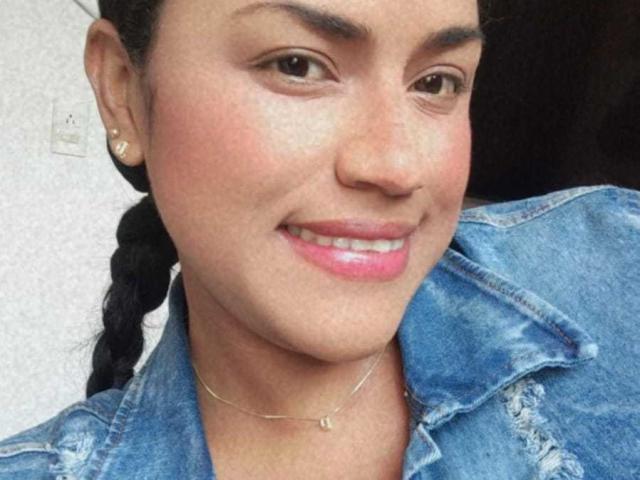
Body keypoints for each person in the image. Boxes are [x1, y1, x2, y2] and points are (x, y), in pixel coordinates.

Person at [1, 0, 638, 478]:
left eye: (436, 81)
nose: (397, 167)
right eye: (298, 65)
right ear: (122, 92)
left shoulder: (617, 266)